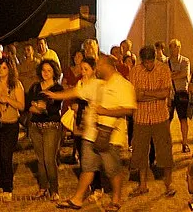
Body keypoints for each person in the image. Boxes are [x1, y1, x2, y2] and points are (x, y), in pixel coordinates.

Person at [48, 55, 134, 212]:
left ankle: (116, 199)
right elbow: (76, 91)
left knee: (112, 169)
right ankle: (77, 199)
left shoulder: (123, 84)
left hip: (110, 136)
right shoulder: (95, 84)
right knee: (87, 167)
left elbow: (129, 109)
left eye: (99, 65)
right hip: (90, 134)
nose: (97, 68)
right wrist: (55, 95)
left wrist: (106, 111)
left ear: (108, 66)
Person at [125, 46, 177, 198]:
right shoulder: (135, 71)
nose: (148, 65)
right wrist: (155, 94)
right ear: (142, 61)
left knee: (165, 150)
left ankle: (168, 184)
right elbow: (135, 96)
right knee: (140, 151)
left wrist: (146, 93)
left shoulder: (163, 69)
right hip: (141, 118)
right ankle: (142, 184)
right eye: (146, 62)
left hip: (160, 116)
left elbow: (165, 93)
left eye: (151, 62)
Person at [26, 59, 67, 200]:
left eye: (49, 70)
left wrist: (38, 107)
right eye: (43, 70)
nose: (46, 73)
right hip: (36, 127)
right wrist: (38, 107)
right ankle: (43, 188)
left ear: (54, 72)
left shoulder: (57, 89)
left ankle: (54, 190)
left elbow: (52, 109)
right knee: (40, 159)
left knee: (50, 159)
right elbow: (29, 107)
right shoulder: (35, 87)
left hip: (51, 127)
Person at [0, 56, 23, 200]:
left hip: (10, 124)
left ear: (10, 69)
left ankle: (8, 187)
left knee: (6, 156)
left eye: (4, 68)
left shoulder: (16, 85)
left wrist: (7, 99)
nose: (1, 70)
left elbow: (21, 105)